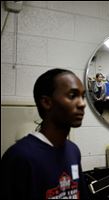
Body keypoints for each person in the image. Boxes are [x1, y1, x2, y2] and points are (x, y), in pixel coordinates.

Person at [1, 68, 88, 199]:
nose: (82, 104)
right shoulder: (19, 157)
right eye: (72, 95)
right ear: (47, 102)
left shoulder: (73, 151)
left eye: (83, 96)